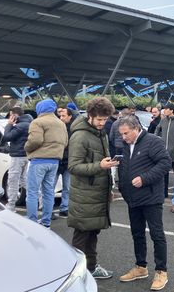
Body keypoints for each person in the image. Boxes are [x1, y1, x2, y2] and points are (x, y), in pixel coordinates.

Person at [117, 115, 171, 291]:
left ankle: (161, 271)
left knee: (157, 234)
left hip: (150, 197)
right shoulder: (125, 145)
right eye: (121, 134)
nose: (123, 137)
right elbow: (125, 167)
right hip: (132, 198)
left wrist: (145, 178)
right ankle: (141, 267)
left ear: (136, 129)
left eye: (126, 133)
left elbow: (165, 163)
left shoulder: (153, 141)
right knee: (137, 233)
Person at [67, 97, 117, 279]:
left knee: (92, 232)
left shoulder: (99, 133)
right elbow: (73, 167)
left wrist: (109, 187)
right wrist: (100, 166)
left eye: (105, 120)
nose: (102, 123)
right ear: (89, 115)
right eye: (99, 120)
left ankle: (91, 268)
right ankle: (76, 273)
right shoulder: (80, 136)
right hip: (84, 195)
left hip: (97, 192)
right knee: (82, 234)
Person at [24, 98, 68, 229]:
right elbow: (65, 142)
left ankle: (32, 221)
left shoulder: (37, 122)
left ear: (40, 109)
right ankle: (46, 222)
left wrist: (26, 147)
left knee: (32, 192)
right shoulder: (61, 123)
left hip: (38, 161)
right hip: (54, 161)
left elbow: (35, 141)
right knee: (48, 192)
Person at [2, 106, 32, 211]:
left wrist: (9, 124)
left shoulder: (20, 126)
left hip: (18, 156)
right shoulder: (28, 123)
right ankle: (39, 199)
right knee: (24, 180)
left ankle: (11, 206)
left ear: (15, 115)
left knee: (13, 180)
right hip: (25, 155)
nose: (10, 117)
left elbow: (7, 137)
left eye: (11, 115)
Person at [156, 103, 174, 198]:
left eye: (166, 109)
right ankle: (164, 193)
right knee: (164, 174)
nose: (164, 111)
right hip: (164, 152)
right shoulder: (163, 120)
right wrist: (157, 139)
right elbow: (157, 129)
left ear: (171, 110)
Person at [57, 108, 76, 217]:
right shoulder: (57, 127)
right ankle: (48, 210)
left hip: (68, 161)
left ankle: (65, 208)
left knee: (67, 187)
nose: (61, 118)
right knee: (50, 188)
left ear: (70, 116)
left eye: (63, 115)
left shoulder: (74, 129)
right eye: (60, 115)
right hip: (57, 161)